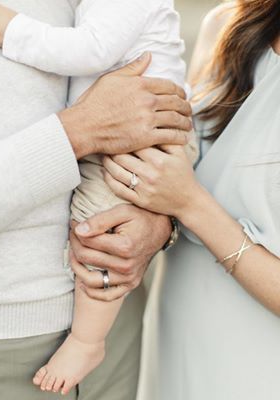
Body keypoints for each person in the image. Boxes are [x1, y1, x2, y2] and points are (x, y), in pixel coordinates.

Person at [0, 1, 193, 399]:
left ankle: (88, 340)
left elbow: (181, 113)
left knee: (101, 219)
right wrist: (79, 131)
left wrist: (159, 222)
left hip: (116, 324)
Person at [100, 1, 280, 399]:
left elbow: (188, 194)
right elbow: (192, 164)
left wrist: (190, 205)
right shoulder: (228, 25)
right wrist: (157, 222)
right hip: (179, 346)